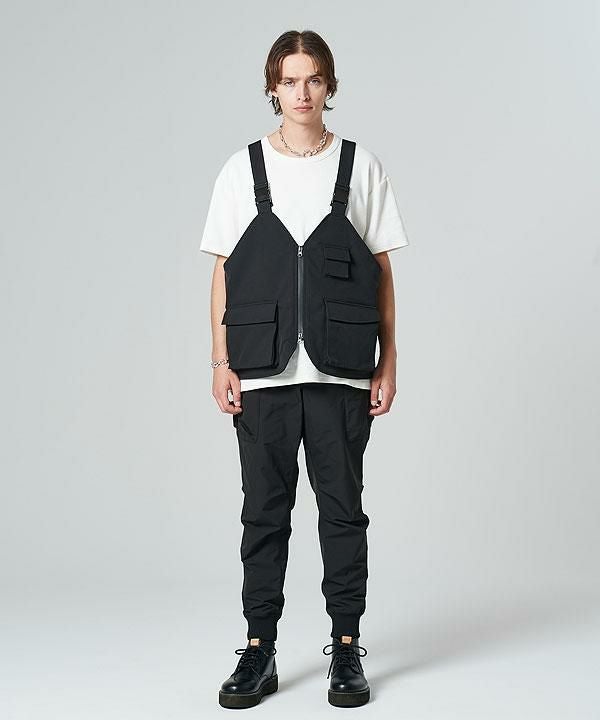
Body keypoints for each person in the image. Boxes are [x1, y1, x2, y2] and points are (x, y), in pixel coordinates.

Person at [199, 29, 409, 709]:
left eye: (313, 79)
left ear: (329, 86)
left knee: (343, 513)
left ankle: (346, 648)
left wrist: (388, 361)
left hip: (340, 373)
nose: (302, 93)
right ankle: (258, 650)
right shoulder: (242, 170)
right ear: (273, 87)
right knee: (263, 514)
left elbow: (382, 272)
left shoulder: (359, 166)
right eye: (289, 81)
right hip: (261, 373)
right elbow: (223, 273)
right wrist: (220, 360)